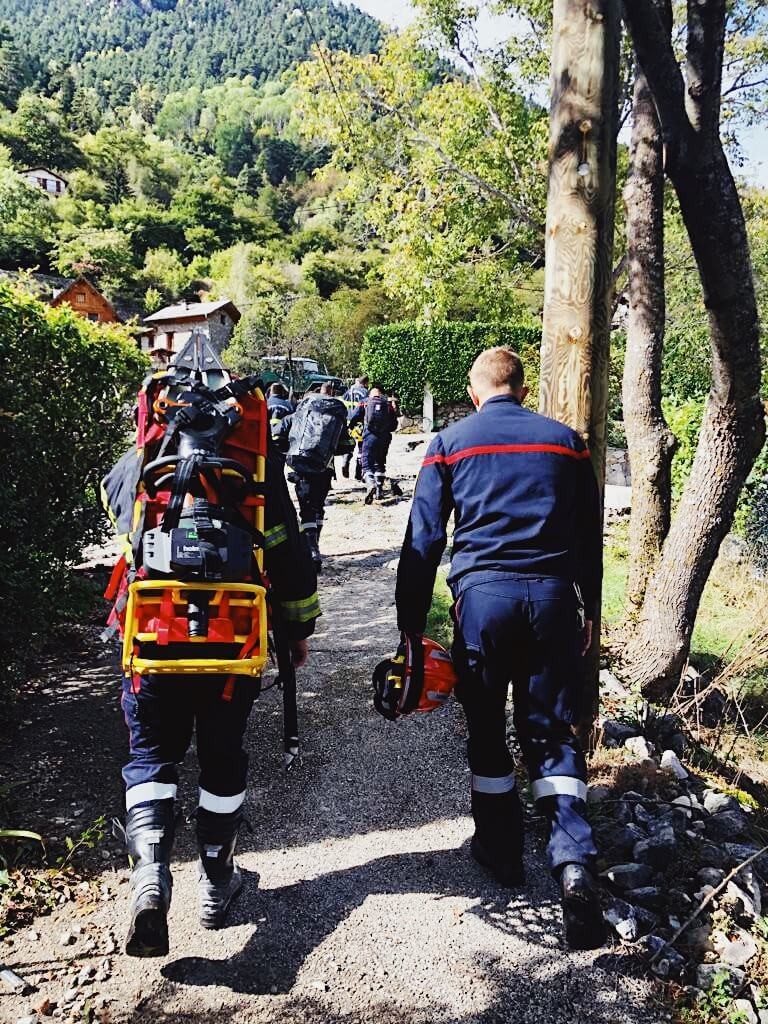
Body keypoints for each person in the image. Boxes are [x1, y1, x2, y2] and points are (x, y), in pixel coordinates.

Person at [394, 346, 605, 950]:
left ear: (476, 387)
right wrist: (589, 609)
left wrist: (411, 626)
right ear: (520, 386)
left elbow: (424, 539)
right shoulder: (567, 442)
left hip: (483, 603)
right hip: (553, 601)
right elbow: (589, 537)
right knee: (550, 732)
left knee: (487, 729)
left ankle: (501, 851)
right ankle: (571, 863)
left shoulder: (450, 443)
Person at [103, 373, 320, 958]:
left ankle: (150, 876)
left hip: (153, 640)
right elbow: (287, 551)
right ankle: (216, 880)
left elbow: (117, 514)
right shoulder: (251, 473)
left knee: (150, 757)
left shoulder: (139, 464)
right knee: (222, 758)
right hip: (231, 644)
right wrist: (296, 629)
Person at [288, 381, 348, 572]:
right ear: (331, 394)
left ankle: (311, 549)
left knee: (306, 510)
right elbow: (347, 444)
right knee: (318, 507)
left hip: (303, 467)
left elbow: (279, 434)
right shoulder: (336, 416)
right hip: (325, 468)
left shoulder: (302, 412)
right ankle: (316, 544)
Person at [349, 384, 401, 505]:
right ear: (381, 393)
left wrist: (352, 428)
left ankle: (370, 483)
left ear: (371, 393)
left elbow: (353, 417)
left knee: (366, 461)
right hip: (385, 437)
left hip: (369, 436)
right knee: (380, 462)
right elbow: (394, 425)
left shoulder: (365, 402)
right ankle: (379, 490)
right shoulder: (387, 404)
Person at [341, 375, 369, 480]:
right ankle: (358, 472)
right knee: (362, 448)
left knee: (349, 445)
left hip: (348, 423)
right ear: (366, 383)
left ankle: (346, 460)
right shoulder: (365, 393)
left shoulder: (347, 392)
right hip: (360, 424)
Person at [266, 382, 295, 460]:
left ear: (270, 392)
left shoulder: (265, 404)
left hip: (267, 442)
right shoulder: (288, 406)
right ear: (282, 392)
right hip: (283, 442)